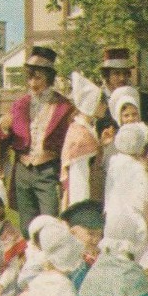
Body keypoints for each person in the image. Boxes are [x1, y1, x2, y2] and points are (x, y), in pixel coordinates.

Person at [0, 46, 73, 236]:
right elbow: (4, 138)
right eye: (29, 77)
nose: (32, 83)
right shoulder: (20, 104)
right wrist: (4, 129)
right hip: (23, 169)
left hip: (48, 169)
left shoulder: (63, 106)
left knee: (50, 221)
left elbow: (71, 141)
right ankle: (30, 261)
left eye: (37, 77)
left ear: (48, 77)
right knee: (26, 224)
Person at [103, 121, 148, 243]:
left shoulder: (114, 162)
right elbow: (145, 198)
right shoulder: (138, 168)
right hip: (133, 220)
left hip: (113, 217)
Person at [60, 71, 105, 210]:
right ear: (93, 105)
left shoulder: (87, 128)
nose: (105, 106)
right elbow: (79, 178)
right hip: (82, 192)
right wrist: (82, 208)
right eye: (102, 103)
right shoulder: (80, 134)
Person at [96, 48, 148, 139]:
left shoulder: (143, 99)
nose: (122, 78)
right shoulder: (99, 101)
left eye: (125, 74)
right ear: (107, 76)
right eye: (116, 74)